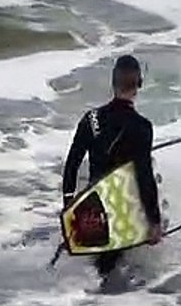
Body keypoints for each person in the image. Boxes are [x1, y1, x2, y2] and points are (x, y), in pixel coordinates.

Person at [61, 55, 162, 287]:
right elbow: (144, 177)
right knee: (119, 279)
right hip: (124, 212)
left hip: (94, 209)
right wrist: (154, 222)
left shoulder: (91, 119)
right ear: (139, 84)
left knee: (99, 271)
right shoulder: (142, 127)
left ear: (113, 83)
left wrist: (69, 203)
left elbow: (72, 163)